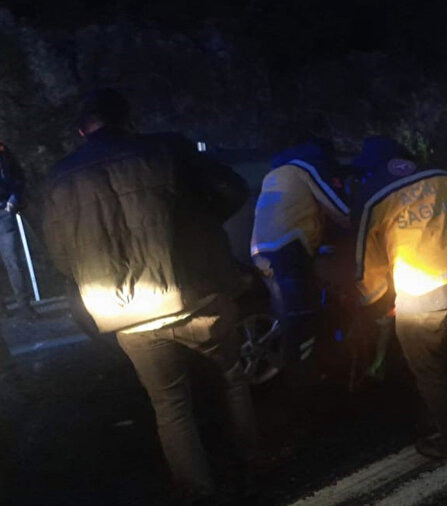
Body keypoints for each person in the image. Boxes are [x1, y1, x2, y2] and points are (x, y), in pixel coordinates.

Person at [43, 88, 259, 505]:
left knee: (170, 404)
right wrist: (197, 228)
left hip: (125, 312)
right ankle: (249, 468)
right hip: (196, 292)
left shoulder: (60, 179)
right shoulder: (166, 149)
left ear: (81, 131)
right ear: (128, 119)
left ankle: (198, 491)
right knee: (230, 379)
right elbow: (231, 189)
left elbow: (60, 256)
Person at [353, 136, 447, 460]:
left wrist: (373, 298)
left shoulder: (373, 195)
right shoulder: (445, 176)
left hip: (422, 291)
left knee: (429, 369)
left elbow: (366, 258)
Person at [250, 139, 350, 375]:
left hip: (259, 250)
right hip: (288, 247)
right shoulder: (306, 168)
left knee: (286, 316)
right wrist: (356, 223)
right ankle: (312, 377)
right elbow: (340, 209)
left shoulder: (274, 174)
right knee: (304, 317)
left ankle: (288, 373)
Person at [0, 144, 37, 320]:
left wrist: (13, 200)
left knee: (13, 260)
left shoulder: (3, 152)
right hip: (5, 211)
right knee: (12, 261)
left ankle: (24, 307)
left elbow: (17, 176)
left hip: (4, 212)